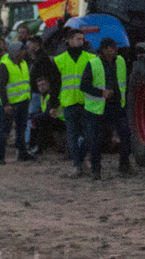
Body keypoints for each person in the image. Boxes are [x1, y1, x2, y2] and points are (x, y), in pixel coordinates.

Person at [80, 37, 133, 180]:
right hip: (98, 108)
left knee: (126, 135)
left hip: (117, 105)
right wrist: (102, 93)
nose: (115, 50)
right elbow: (83, 86)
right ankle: (95, 170)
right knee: (96, 140)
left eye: (115, 47)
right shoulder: (93, 64)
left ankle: (124, 164)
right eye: (112, 48)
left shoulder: (121, 61)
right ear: (104, 50)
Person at [53, 28, 94, 177]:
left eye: (83, 39)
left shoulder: (90, 58)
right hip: (68, 103)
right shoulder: (60, 60)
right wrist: (54, 104)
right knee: (72, 135)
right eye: (78, 39)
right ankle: (77, 165)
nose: (81, 42)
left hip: (86, 103)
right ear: (70, 40)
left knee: (89, 135)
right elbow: (55, 83)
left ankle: (82, 159)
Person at [0, 40, 33, 164]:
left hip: (23, 102)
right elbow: (1, 86)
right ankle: (1, 156)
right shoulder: (4, 65)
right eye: (21, 50)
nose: (23, 52)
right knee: (5, 130)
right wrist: (6, 104)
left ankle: (22, 154)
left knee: (21, 130)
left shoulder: (23, 64)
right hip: (11, 104)